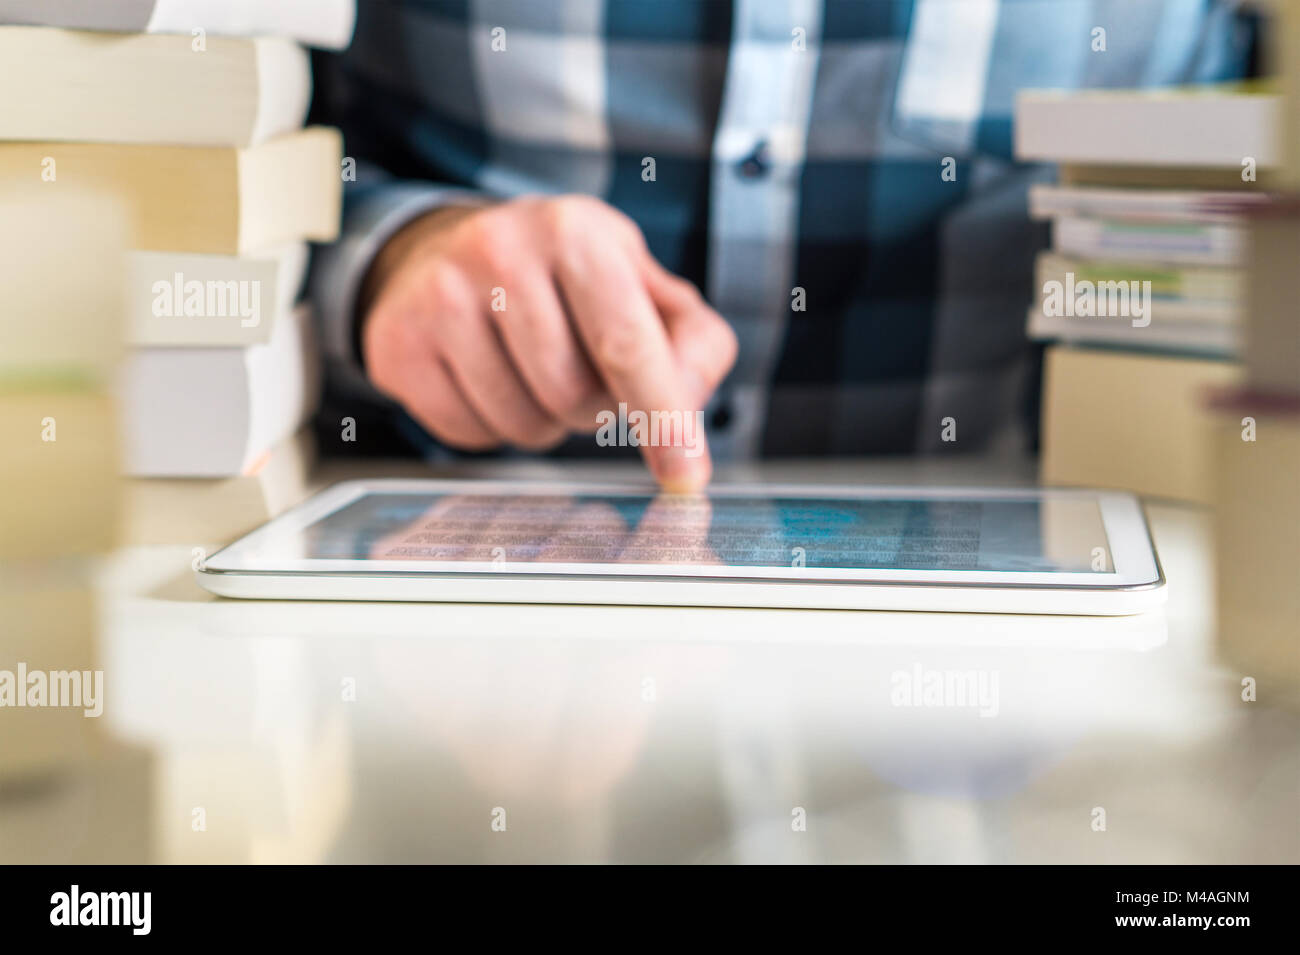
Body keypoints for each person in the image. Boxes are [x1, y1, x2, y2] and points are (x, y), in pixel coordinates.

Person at [309, 0, 1255, 491]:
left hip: (1042, 676)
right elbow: (215, 137)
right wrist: (386, 252)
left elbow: (1251, 187)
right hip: (421, 582)